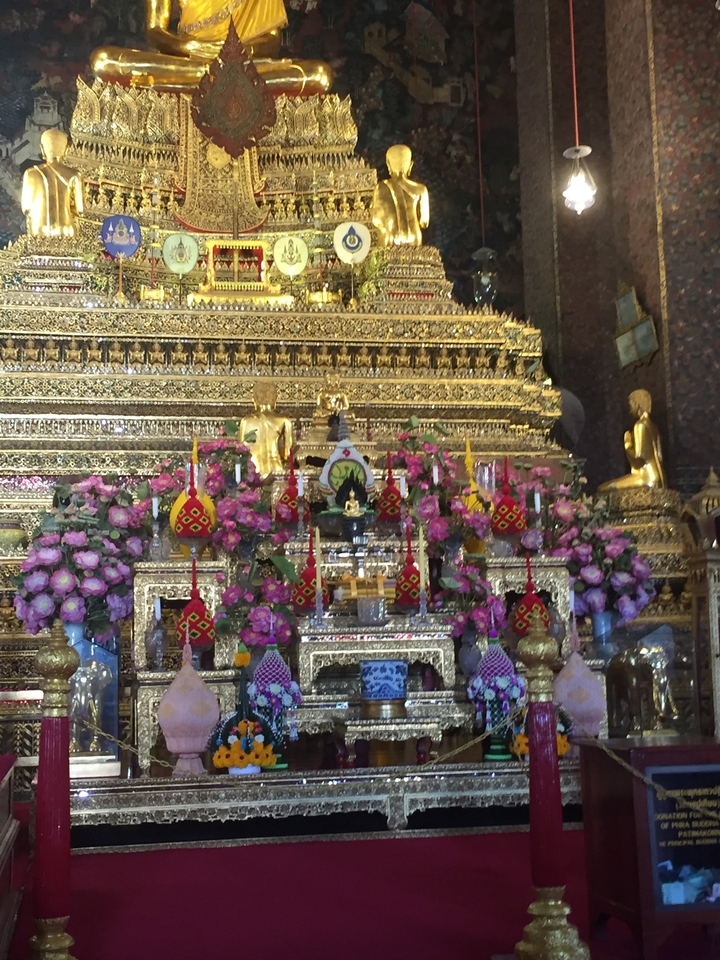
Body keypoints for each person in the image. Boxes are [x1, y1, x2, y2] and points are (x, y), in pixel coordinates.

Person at [89, 0, 333, 95]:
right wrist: (189, 46)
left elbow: (271, 41)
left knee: (317, 75)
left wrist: (237, 52)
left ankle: (187, 85)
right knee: (104, 60)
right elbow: (155, 31)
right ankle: (201, 79)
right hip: (187, 59)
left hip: (243, 63)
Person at [598, 389, 666, 490]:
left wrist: (627, 444)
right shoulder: (653, 427)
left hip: (646, 477)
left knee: (603, 488)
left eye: (631, 405)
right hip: (659, 477)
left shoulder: (640, 425)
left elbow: (639, 458)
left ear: (637, 404)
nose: (630, 409)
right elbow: (659, 457)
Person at [21, 130, 83, 239]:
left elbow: (26, 208)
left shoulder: (30, 173)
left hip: (39, 231)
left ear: (42, 148)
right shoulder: (75, 175)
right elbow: (80, 210)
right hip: (66, 231)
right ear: (66, 149)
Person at [371, 144, 429, 247]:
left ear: (388, 165)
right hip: (414, 240)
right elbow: (424, 222)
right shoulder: (421, 189)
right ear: (410, 165)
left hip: (390, 239)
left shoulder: (380, 187)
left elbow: (376, 218)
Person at [240, 381, 294, 478]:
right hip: (276, 469)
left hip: (252, 470)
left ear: (255, 399)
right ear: (274, 398)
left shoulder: (246, 421)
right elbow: (289, 454)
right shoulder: (284, 421)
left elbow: (241, 452)